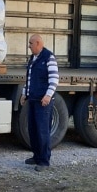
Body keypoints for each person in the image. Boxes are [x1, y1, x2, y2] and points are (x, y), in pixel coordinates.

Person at [19, 34, 59, 172]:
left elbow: (54, 79)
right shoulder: (33, 59)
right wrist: (24, 94)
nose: (29, 46)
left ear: (38, 43)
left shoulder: (49, 57)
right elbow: (29, 79)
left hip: (43, 102)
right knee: (33, 130)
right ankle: (36, 156)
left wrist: (48, 96)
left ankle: (44, 161)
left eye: (30, 43)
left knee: (42, 131)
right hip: (33, 99)